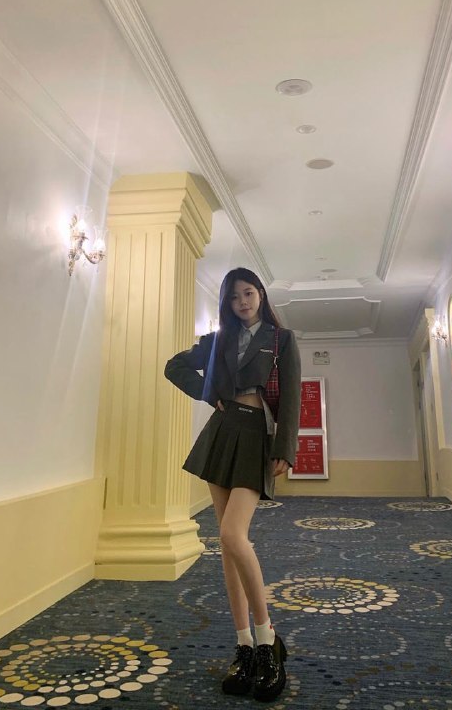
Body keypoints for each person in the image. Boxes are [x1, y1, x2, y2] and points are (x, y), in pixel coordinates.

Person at [164, 267, 301, 701]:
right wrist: (209, 393)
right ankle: (243, 645)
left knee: (231, 535)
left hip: (257, 436)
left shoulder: (281, 339)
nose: (242, 302)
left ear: (260, 294)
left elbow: (292, 397)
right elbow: (174, 367)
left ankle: (267, 641)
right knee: (227, 544)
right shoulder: (218, 339)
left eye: (248, 293)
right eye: (234, 296)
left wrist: (285, 448)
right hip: (222, 433)